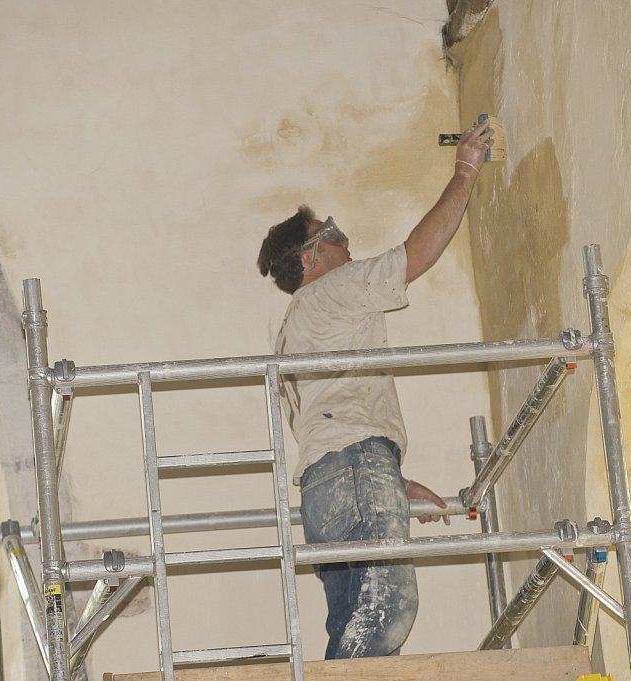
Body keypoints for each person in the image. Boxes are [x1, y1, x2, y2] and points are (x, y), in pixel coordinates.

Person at [256, 119, 493, 659]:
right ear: (310, 257)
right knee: (386, 608)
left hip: (326, 487)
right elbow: (415, 255)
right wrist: (465, 171)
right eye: (332, 233)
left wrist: (393, 481)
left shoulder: (294, 330)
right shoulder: (332, 290)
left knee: (354, 620)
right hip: (354, 467)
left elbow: (331, 418)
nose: (345, 240)